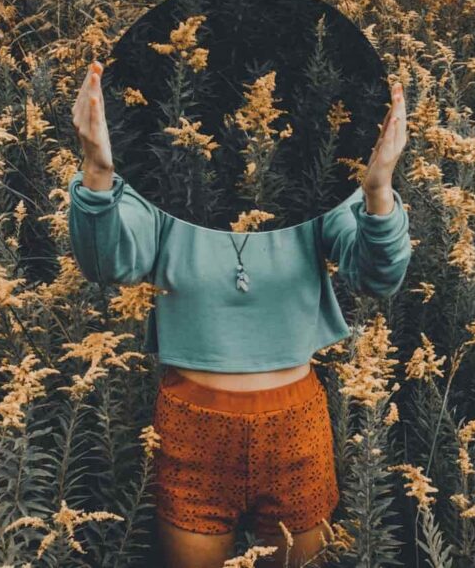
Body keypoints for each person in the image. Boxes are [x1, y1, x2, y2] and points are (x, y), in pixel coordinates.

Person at [69, 60, 412, 568]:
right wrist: (97, 170)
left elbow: (377, 276)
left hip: (295, 423)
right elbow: (106, 262)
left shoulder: (312, 192)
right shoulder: (164, 190)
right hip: (191, 428)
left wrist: (378, 191)